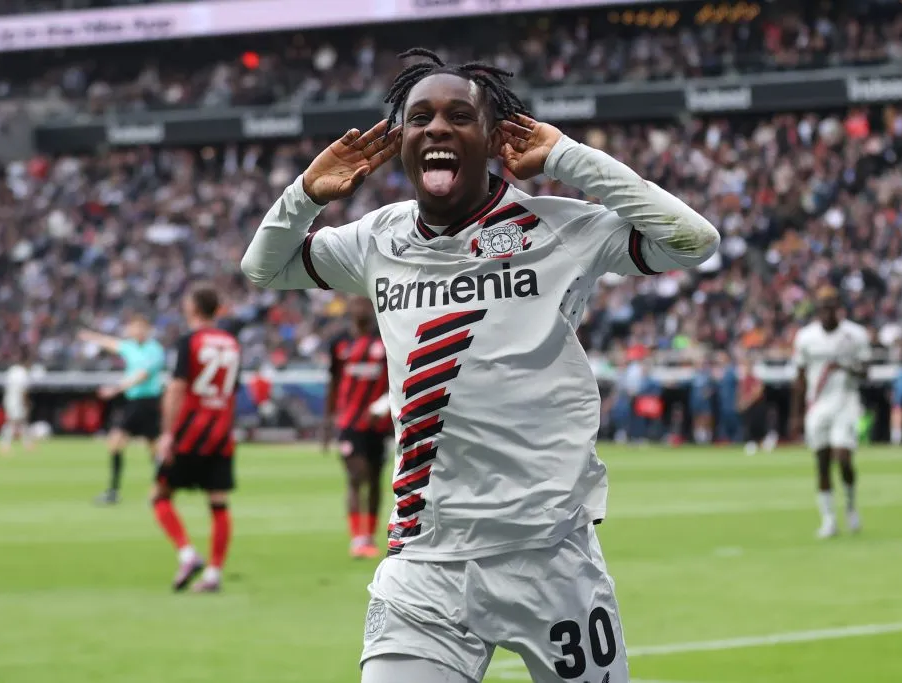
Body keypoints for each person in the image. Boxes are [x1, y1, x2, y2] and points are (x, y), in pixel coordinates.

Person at [241, 47, 718, 683]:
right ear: (402, 140)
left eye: (460, 116)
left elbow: (693, 239)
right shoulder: (376, 239)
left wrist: (567, 158)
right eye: (420, 118)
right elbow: (263, 267)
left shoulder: (558, 229)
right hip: (426, 559)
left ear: (494, 138)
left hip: (551, 556)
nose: (437, 128)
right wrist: (304, 194)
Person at [152, 284, 241, 593]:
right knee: (218, 502)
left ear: (193, 308)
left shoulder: (189, 341)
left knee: (160, 495)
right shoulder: (232, 343)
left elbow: (177, 388)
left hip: (189, 431)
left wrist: (166, 434)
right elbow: (231, 390)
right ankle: (214, 574)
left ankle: (188, 554)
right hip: (220, 432)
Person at [791, 286, 871, 539]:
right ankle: (828, 520)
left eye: (830, 306)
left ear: (838, 307)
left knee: (843, 458)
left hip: (846, 402)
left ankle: (850, 506)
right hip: (818, 405)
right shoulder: (805, 337)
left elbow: (866, 371)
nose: (826, 311)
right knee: (822, 463)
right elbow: (800, 376)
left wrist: (845, 367)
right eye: (822, 307)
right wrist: (795, 414)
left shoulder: (855, 335)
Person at [326, 296, 391, 558]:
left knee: (375, 479)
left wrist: (386, 406)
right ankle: (357, 538)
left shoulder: (384, 340)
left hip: (379, 423)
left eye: (366, 304)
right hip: (349, 422)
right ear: (350, 309)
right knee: (355, 475)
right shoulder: (340, 342)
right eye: (357, 304)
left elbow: (395, 379)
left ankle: (370, 536)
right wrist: (327, 420)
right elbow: (333, 381)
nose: (361, 309)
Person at [79, 315, 166, 505]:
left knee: (153, 449)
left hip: (148, 402)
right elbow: (111, 343)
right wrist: (90, 336)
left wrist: (115, 389)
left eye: (139, 328)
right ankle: (114, 491)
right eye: (133, 328)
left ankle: (161, 488)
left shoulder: (155, 350)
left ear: (147, 330)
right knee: (116, 443)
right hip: (133, 402)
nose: (135, 331)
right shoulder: (130, 347)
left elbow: (142, 375)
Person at [736, 355, 775, 456]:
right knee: (749, 426)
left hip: (756, 406)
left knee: (758, 425)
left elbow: (757, 392)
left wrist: (746, 402)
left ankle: (763, 442)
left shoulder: (755, 379)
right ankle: (753, 443)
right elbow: (741, 392)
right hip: (748, 407)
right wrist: (740, 403)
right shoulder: (744, 380)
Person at [0, 348, 34, 455]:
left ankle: (27, 443)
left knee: (21, 422)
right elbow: (23, 391)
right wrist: (27, 403)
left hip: (9, 398)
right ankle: (4, 444)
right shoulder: (22, 373)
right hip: (16, 400)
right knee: (12, 422)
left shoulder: (12, 370)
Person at [688, 354, 715, 444]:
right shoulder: (693, 375)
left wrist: (708, 392)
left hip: (705, 402)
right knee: (697, 418)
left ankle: (707, 438)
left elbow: (713, 387)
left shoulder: (708, 375)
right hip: (696, 401)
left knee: (706, 418)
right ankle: (699, 438)